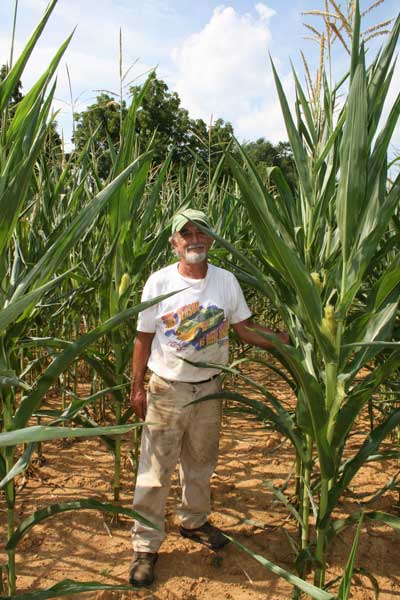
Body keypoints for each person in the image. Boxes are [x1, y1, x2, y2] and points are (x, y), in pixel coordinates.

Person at [129, 209, 289, 587]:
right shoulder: (159, 282)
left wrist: (285, 340)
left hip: (210, 389)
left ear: (212, 239)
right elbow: (143, 336)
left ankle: (194, 522)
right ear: (174, 242)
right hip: (168, 388)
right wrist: (137, 386)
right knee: (155, 471)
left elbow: (245, 330)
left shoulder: (226, 281)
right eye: (186, 233)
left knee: (201, 463)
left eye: (201, 232)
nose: (194, 239)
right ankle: (146, 545)